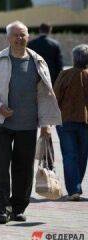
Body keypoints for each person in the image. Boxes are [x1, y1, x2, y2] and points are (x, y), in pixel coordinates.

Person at [0, 21, 62, 224]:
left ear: (28, 36)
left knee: (23, 168)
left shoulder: (38, 61)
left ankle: (18, 208)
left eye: (23, 35)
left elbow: (45, 96)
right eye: (15, 35)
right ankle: (1, 210)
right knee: (2, 166)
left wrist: (46, 125)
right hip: (2, 124)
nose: (19, 38)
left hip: (28, 124)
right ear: (8, 38)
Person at [54, 44, 88, 201]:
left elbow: (55, 97)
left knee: (69, 155)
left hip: (65, 121)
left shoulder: (65, 74)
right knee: (82, 155)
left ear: (74, 58)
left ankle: (74, 189)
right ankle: (76, 186)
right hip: (85, 122)